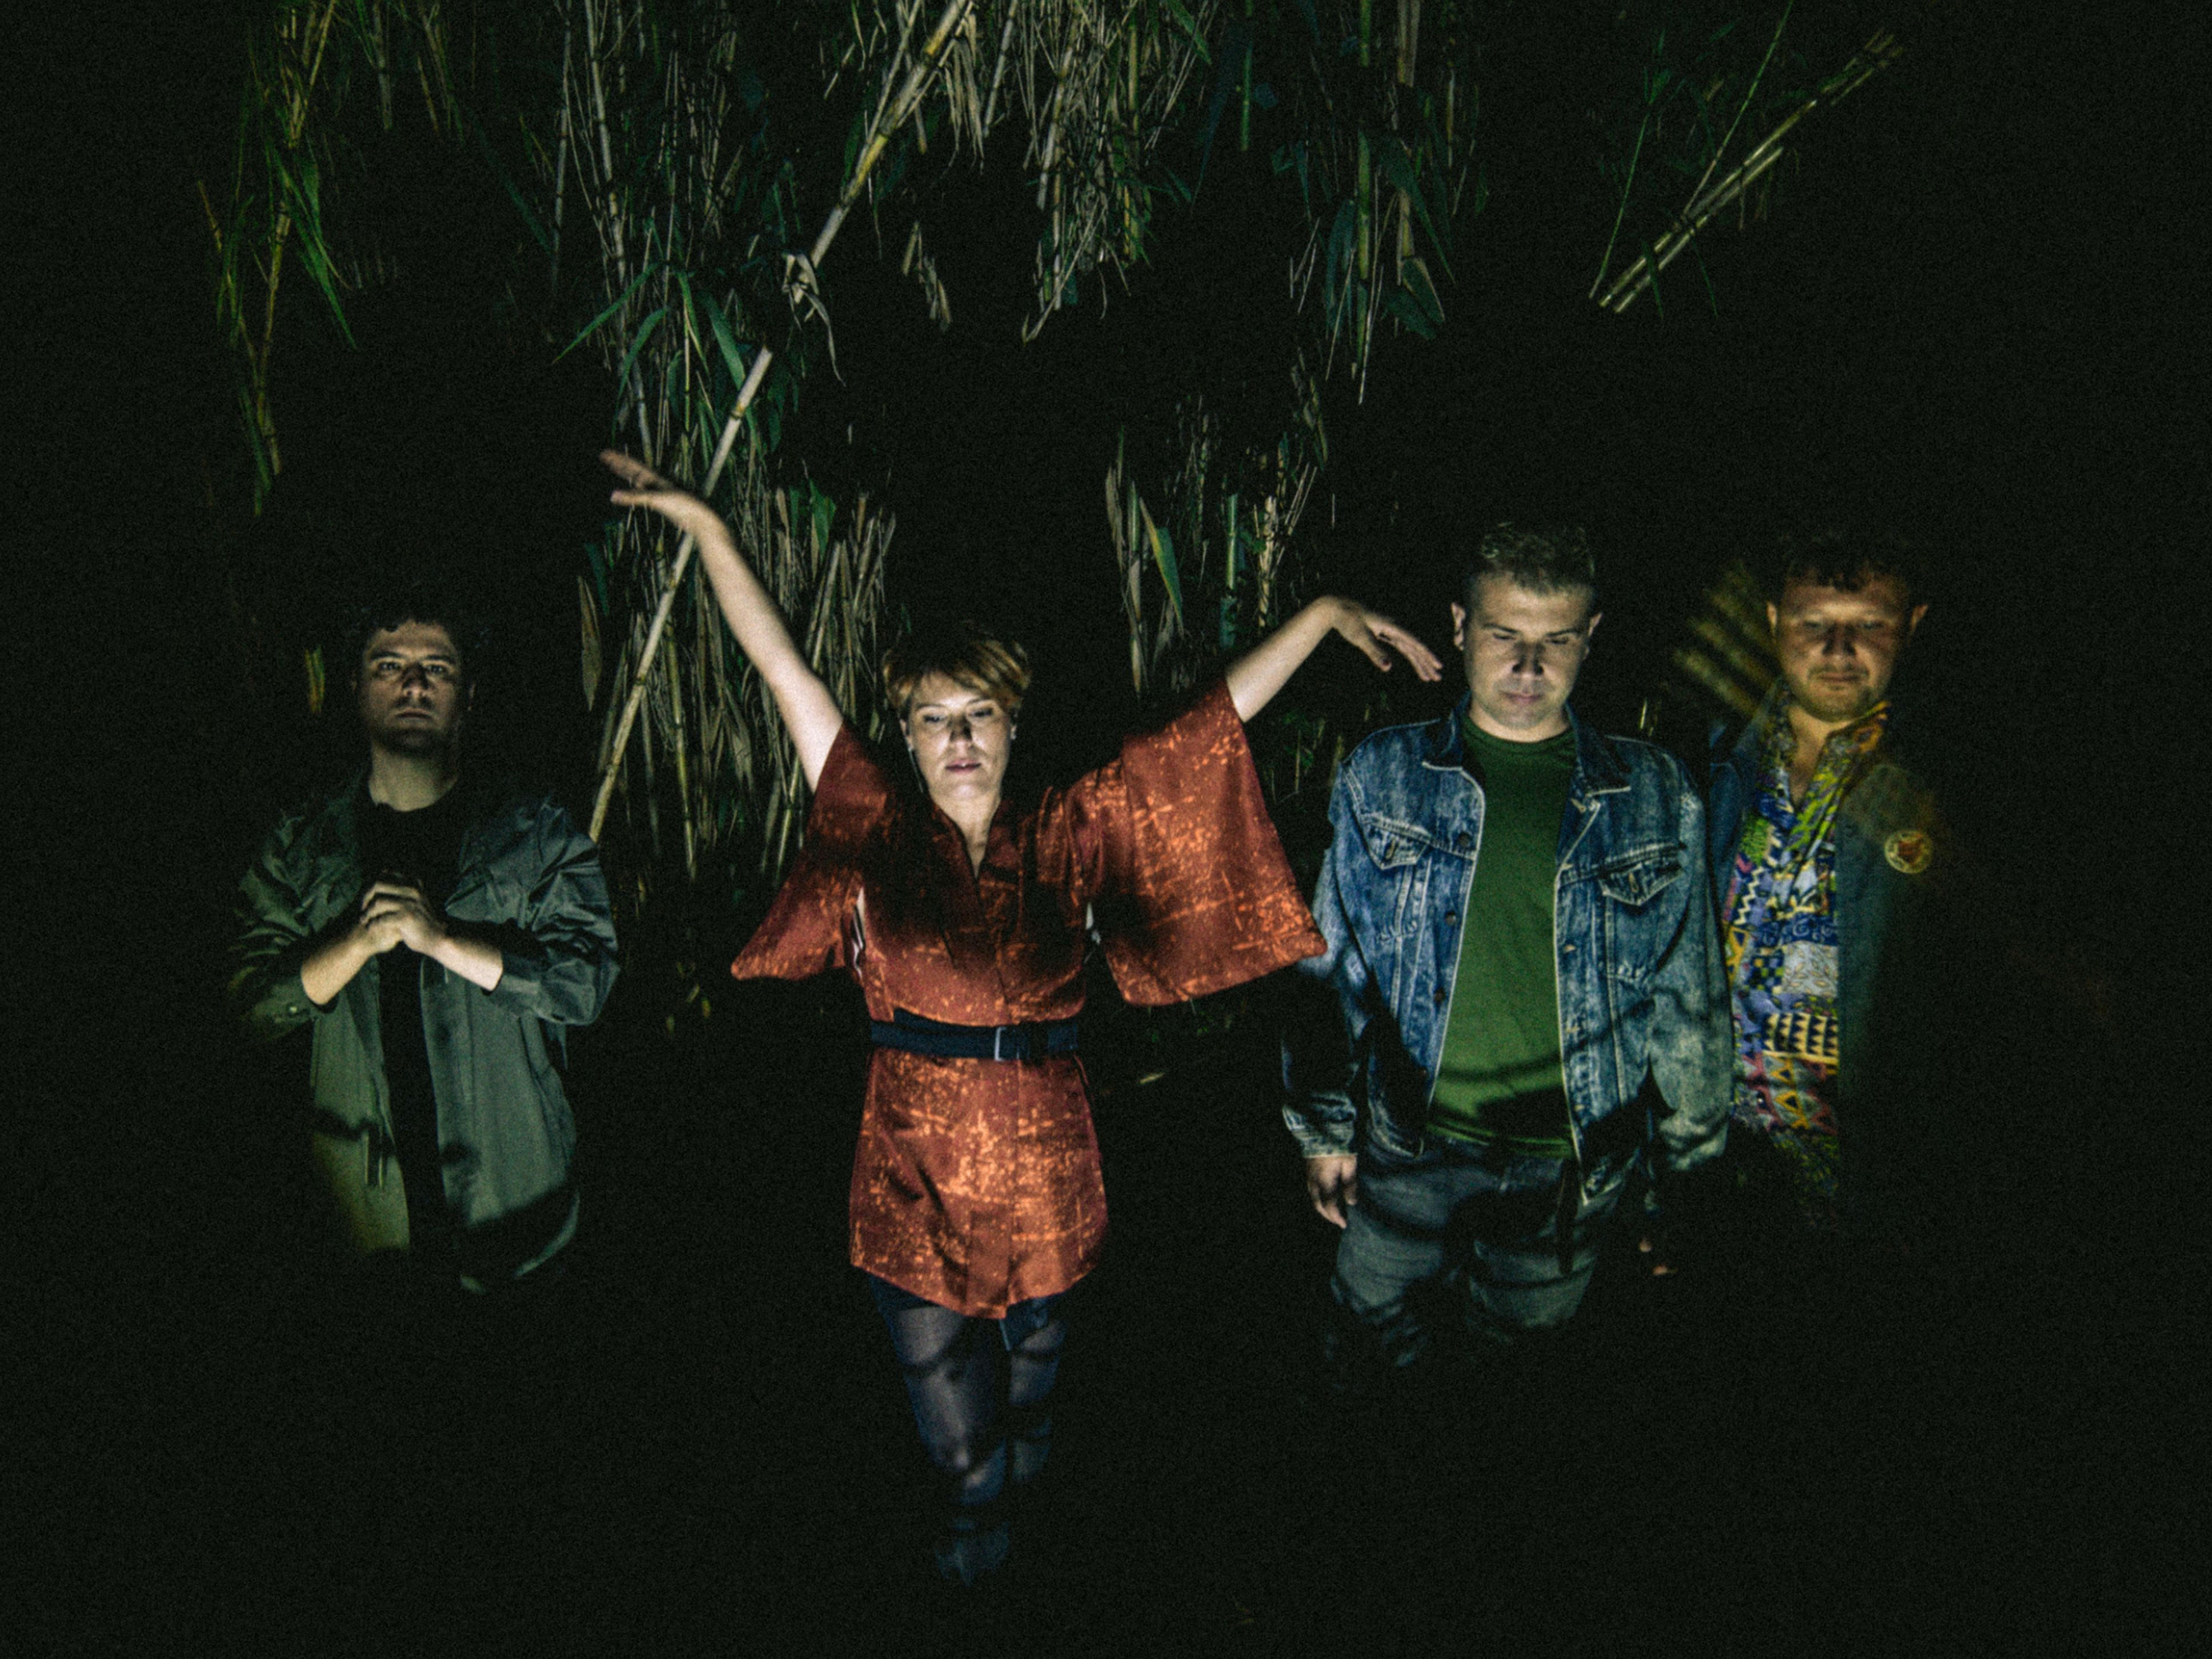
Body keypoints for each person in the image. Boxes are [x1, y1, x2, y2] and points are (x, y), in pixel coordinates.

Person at [601, 449, 1441, 1586]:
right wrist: (707, 525)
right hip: (910, 1180)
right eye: (933, 718)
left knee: (1032, 1428)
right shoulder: (872, 821)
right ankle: (975, 1579)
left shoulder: (1070, 828)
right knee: (965, 1463)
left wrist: (1322, 611)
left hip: (1051, 1175)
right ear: (906, 734)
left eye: (979, 715)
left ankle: (1035, 1567)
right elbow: (779, 663)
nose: (957, 738)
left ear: (1009, 724)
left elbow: (1203, 728)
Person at [1283, 523, 1730, 1381]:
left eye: (1556, 640)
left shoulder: (1654, 793)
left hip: (1566, 1171)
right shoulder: (1384, 772)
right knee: (1366, 1369)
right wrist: (1322, 1129)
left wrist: (1688, 1179)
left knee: (1517, 1388)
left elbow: (1691, 1002)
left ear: (1590, 636)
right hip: (1408, 1151)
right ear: (1459, 626)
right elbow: (1327, 966)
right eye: (1503, 635)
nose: (1528, 666)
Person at [229, 584, 618, 1296]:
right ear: (355, 689)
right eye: (388, 666)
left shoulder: (533, 832)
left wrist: (442, 940)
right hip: (367, 1228)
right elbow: (249, 1006)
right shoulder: (302, 844)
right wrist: (356, 941)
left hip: (518, 1216)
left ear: (467, 695)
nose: (413, 684)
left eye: (436, 668)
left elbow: (584, 985)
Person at [1705, 528, 1960, 1270]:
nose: (1838, 649)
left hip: (1861, 1198)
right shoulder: (1705, 761)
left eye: (1869, 624)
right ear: (1772, 619)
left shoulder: (1950, 785)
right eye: (1813, 622)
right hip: (1699, 1178)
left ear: (1911, 623)